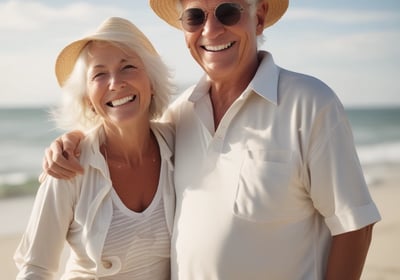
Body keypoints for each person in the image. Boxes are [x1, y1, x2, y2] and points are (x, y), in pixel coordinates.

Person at [41, 0, 382, 279]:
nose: (211, 29)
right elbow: (125, 129)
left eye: (228, 12)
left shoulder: (309, 103)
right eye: (194, 17)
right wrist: (74, 139)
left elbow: (354, 225)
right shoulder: (180, 115)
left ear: (259, 16)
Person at [14, 17, 176, 279]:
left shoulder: (180, 144)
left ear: (152, 83)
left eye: (128, 67)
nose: (115, 83)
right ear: (88, 99)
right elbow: (36, 268)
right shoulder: (69, 165)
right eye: (100, 74)